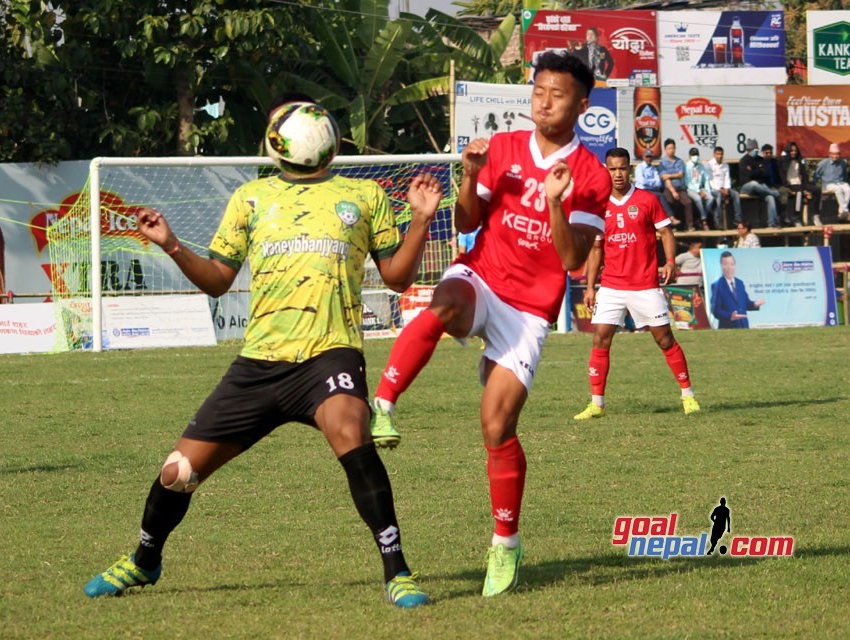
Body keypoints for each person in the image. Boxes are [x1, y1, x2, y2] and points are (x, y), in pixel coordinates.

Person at [82, 96, 443, 608]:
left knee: (350, 429)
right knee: (178, 473)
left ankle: (398, 572)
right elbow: (217, 282)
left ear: (279, 144)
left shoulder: (363, 196)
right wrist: (171, 243)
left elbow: (397, 277)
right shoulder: (250, 199)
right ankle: (144, 561)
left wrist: (423, 219)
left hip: (328, 355)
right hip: (258, 365)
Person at [370, 51, 611, 597]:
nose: (544, 101)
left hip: (529, 311)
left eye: (557, 93)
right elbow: (467, 221)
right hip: (484, 277)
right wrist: (471, 175)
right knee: (444, 301)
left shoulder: (591, 174)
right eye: (538, 91)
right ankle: (382, 406)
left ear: (581, 103)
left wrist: (554, 203)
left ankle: (505, 544)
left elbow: (573, 260)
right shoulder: (501, 148)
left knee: (496, 427)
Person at [573, 147, 699, 421]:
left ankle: (688, 396)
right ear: (606, 170)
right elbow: (596, 249)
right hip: (612, 286)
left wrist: (670, 261)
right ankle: (597, 404)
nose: (617, 174)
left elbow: (666, 231)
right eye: (612, 169)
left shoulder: (646, 200)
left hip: (645, 284)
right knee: (600, 339)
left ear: (630, 169)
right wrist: (591, 287)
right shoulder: (600, 205)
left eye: (622, 168)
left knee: (665, 340)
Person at [710, 251, 764, 329]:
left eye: (731, 264)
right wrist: (729, 316)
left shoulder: (740, 283)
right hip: (728, 328)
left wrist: (754, 304)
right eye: (725, 264)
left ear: (735, 265)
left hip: (744, 327)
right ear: (721, 266)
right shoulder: (717, 285)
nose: (729, 267)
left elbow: (745, 303)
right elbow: (715, 310)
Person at [739, 138, 782, 228]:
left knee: (770, 198)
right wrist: (759, 170)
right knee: (754, 183)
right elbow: (748, 175)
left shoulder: (760, 159)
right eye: (754, 149)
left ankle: (772, 222)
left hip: (760, 187)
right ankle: (774, 193)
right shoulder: (744, 161)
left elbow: (765, 173)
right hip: (747, 187)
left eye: (757, 149)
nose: (756, 151)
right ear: (748, 150)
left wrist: (755, 171)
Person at [634, 148, 679, 226]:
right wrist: (652, 182)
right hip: (641, 190)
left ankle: (665, 223)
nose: (649, 158)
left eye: (650, 157)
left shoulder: (653, 168)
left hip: (652, 190)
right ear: (643, 157)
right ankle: (671, 218)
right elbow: (642, 181)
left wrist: (649, 182)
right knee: (661, 196)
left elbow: (658, 183)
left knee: (663, 197)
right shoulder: (639, 167)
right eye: (647, 156)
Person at [658, 139, 695, 230]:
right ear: (665, 149)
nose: (671, 150)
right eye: (669, 148)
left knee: (688, 202)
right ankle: (671, 226)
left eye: (673, 148)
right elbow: (665, 179)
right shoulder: (662, 163)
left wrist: (669, 175)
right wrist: (673, 191)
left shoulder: (680, 161)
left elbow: (681, 174)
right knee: (669, 201)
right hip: (669, 188)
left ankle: (690, 226)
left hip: (681, 188)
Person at [780, 141, 818, 226]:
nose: (793, 153)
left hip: (799, 183)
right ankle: (796, 217)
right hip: (790, 184)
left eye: (795, 151)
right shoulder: (784, 161)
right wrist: (787, 187)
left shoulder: (800, 160)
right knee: (799, 193)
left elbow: (804, 174)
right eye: (791, 151)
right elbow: (782, 175)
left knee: (816, 190)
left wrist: (806, 185)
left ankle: (815, 215)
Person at [812, 142, 850, 222]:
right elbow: (816, 176)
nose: (835, 156)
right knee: (838, 189)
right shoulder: (823, 163)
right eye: (833, 154)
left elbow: (845, 176)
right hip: (828, 184)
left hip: (840, 183)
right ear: (829, 154)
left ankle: (842, 210)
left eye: (837, 154)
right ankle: (845, 211)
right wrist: (815, 187)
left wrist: (845, 183)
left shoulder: (842, 162)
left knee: (848, 189)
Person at [705, 146, 742, 228]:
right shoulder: (709, 165)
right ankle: (717, 220)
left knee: (736, 194)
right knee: (718, 196)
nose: (720, 156)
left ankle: (738, 219)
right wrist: (720, 190)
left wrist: (726, 189)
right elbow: (709, 180)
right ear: (714, 155)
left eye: (721, 154)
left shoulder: (725, 165)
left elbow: (727, 178)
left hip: (724, 188)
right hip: (713, 189)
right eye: (718, 154)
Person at [761, 144, 792, 225]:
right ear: (762, 153)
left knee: (784, 191)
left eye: (770, 153)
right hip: (766, 186)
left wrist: (785, 185)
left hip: (776, 185)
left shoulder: (775, 162)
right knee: (774, 194)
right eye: (766, 153)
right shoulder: (760, 162)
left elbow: (780, 174)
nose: (769, 155)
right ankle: (776, 219)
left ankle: (783, 215)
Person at [684, 147, 714, 230]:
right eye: (693, 155)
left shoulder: (701, 166)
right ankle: (704, 220)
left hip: (700, 188)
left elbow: (706, 179)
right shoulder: (687, 166)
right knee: (698, 199)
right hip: (690, 189)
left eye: (696, 154)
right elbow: (687, 182)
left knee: (711, 198)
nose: (695, 156)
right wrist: (698, 191)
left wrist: (707, 191)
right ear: (690, 156)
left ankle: (701, 217)